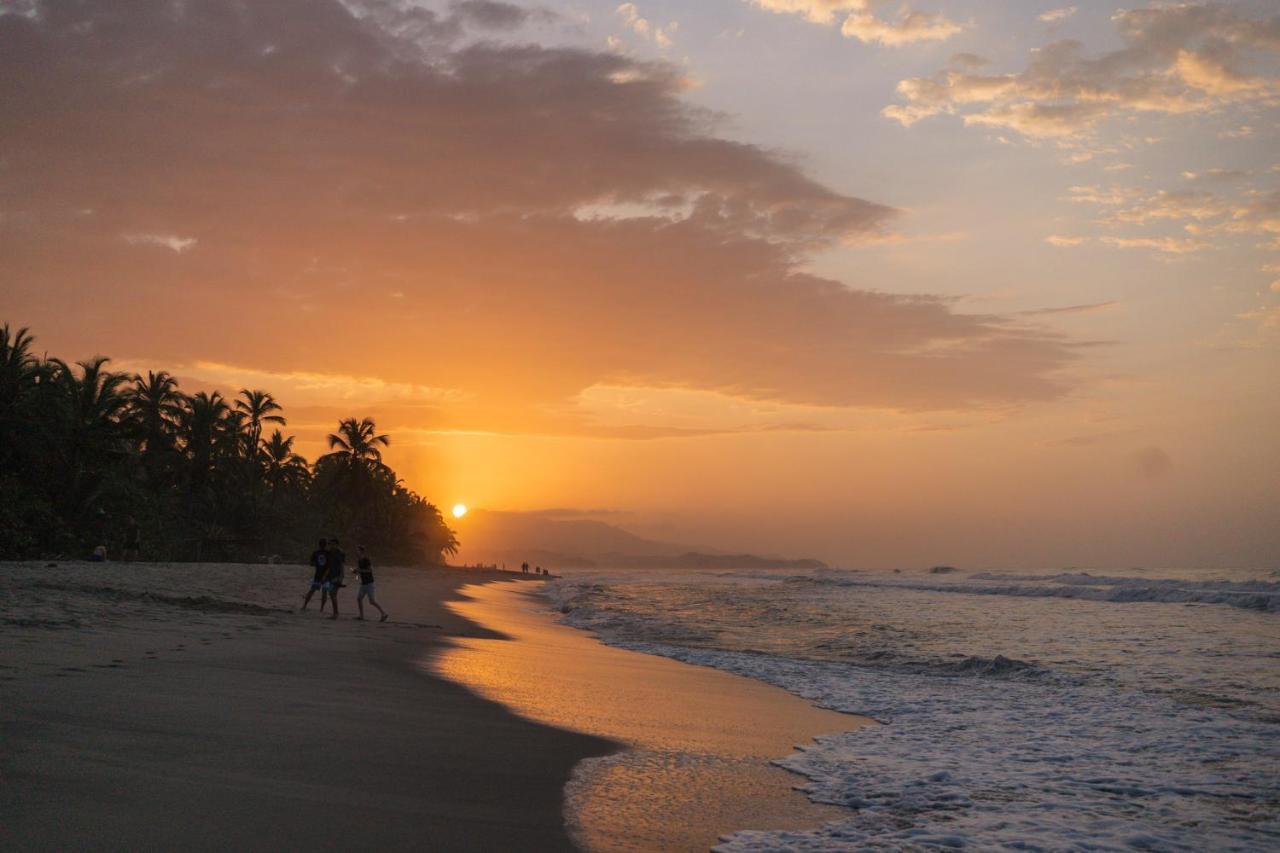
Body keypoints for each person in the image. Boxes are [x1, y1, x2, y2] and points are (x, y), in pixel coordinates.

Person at [352, 545, 388, 622]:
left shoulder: (366, 560)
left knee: (372, 601)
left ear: (361, 552)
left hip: (369, 583)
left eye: (357, 550)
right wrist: (356, 573)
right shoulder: (359, 561)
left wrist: (359, 571)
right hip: (363, 584)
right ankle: (361, 616)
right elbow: (358, 571)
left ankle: (384, 613)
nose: (356, 552)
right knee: (359, 599)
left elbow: (369, 570)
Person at [301, 539, 330, 611]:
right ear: (326, 545)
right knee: (323, 592)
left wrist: (316, 563)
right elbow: (311, 563)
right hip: (323, 576)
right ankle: (321, 608)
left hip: (320, 575)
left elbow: (311, 563)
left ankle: (305, 606)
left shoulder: (317, 553)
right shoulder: (327, 553)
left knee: (313, 591)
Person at [325, 538, 346, 620]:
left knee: (332, 593)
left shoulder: (339, 553)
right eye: (330, 544)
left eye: (333, 544)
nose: (331, 546)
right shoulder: (330, 553)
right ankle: (335, 613)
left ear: (337, 545)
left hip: (337, 576)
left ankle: (336, 614)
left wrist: (341, 577)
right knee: (332, 594)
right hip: (331, 576)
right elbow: (329, 565)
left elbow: (342, 566)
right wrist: (326, 576)